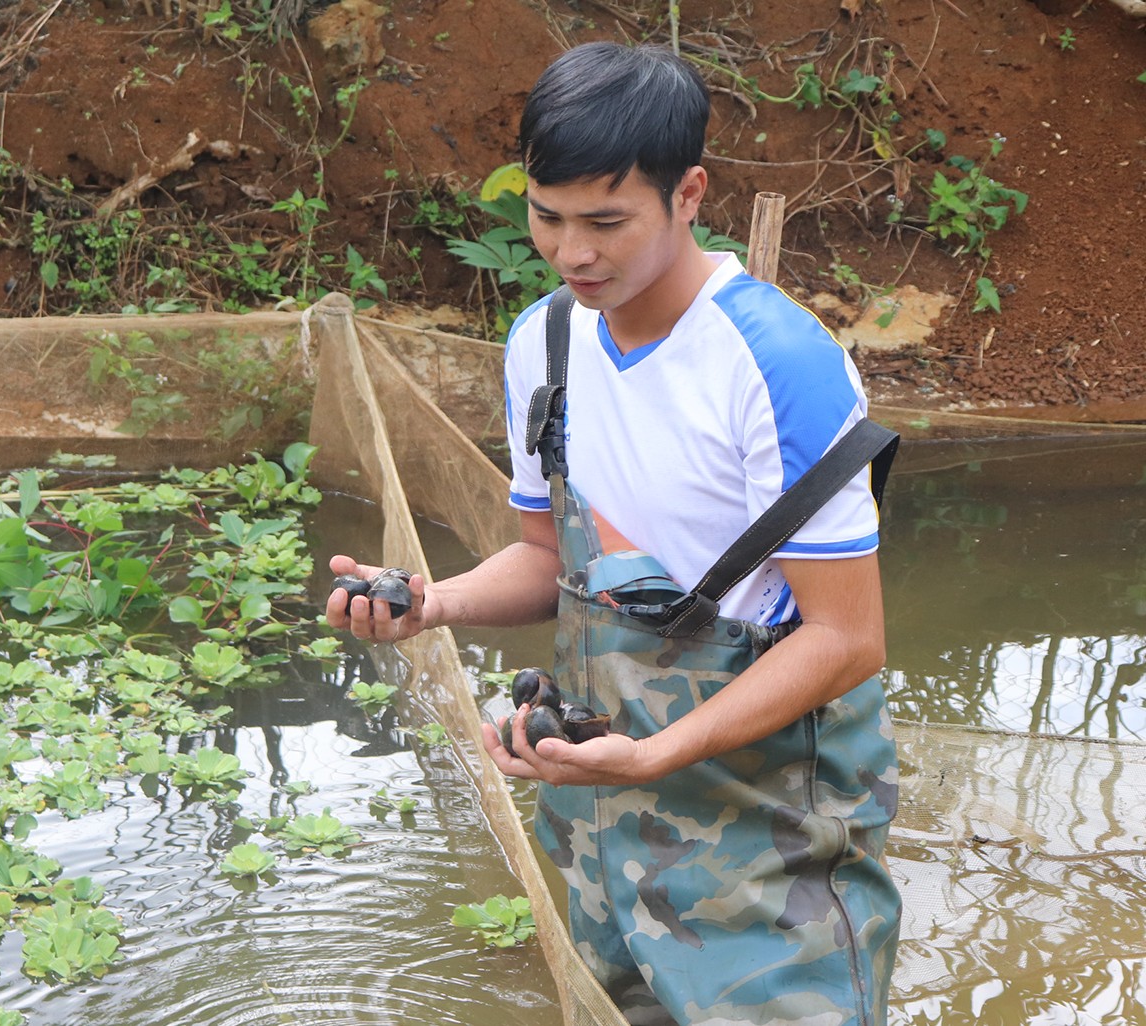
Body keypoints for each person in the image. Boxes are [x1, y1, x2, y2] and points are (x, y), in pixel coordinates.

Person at [326, 41, 900, 1026]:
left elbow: (846, 639)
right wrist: (437, 603)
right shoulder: (545, 345)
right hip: (601, 823)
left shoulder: (777, 365)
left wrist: (661, 751)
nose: (573, 252)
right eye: (546, 217)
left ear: (688, 194)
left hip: (766, 850)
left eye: (606, 221)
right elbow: (553, 560)